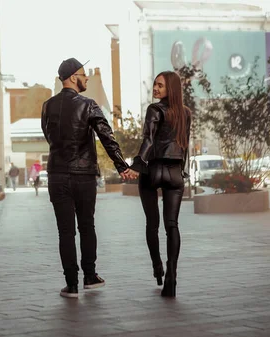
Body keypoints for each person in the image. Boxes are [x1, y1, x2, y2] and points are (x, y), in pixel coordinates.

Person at [42, 57, 130, 298]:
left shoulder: (47, 106)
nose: (87, 77)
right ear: (72, 77)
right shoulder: (88, 105)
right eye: (83, 73)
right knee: (87, 226)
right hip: (83, 176)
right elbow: (107, 137)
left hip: (57, 175)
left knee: (65, 232)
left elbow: (49, 137)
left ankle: (71, 284)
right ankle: (90, 276)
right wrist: (122, 166)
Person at [127, 71, 191, 298]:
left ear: (170, 89)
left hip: (152, 170)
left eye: (160, 86)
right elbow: (184, 144)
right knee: (172, 225)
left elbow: (149, 139)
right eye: (155, 84)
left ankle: (157, 267)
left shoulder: (154, 110)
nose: (155, 89)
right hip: (175, 172)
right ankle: (172, 277)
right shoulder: (185, 113)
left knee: (152, 224)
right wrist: (183, 171)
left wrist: (137, 163)